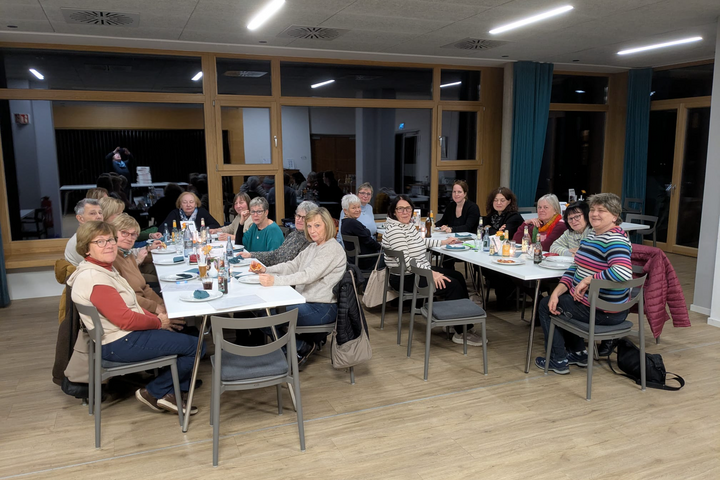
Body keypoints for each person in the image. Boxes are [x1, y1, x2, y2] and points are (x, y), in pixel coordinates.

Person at [67, 221, 202, 415]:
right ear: (86, 248)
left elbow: (133, 307)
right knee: (196, 346)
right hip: (119, 342)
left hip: (120, 337)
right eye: (100, 242)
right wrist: (159, 323)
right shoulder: (95, 279)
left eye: (110, 240)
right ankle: (155, 392)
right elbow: (126, 319)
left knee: (188, 335)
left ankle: (171, 393)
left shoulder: (103, 269)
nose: (109, 245)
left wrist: (159, 318)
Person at [535, 193, 633, 374]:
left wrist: (589, 280)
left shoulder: (615, 239)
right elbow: (576, 267)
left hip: (605, 310)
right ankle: (579, 353)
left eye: (601, 210)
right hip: (591, 303)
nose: (594, 214)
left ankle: (558, 360)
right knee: (559, 299)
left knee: (545, 305)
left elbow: (623, 272)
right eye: (593, 209)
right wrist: (557, 291)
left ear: (614, 216)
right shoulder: (593, 235)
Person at [382, 195, 484, 346]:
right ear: (394, 212)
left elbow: (420, 242)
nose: (405, 212)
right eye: (400, 209)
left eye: (408, 208)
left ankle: (454, 322)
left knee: (457, 276)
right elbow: (407, 262)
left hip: (417, 271)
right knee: (453, 285)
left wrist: (444, 241)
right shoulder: (395, 231)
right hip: (406, 277)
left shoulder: (406, 226)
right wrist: (430, 273)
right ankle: (462, 332)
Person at [253, 207, 346, 366]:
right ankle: (298, 347)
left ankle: (297, 349)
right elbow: (292, 266)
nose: (312, 230)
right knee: (262, 311)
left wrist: (275, 281)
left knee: (267, 317)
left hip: (322, 307)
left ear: (328, 225)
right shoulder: (313, 246)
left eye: (317, 225)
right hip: (305, 301)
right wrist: (266, 270)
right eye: (309, 226)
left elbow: (307, 276)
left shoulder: (332, 248)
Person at [111, 214, 166, 315]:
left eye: (133, 234)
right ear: (113, 233)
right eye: (124, 233)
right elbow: (127, 297)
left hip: (143, 306)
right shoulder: (111, 259)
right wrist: (156, 308)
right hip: (135, 312)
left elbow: (144, 287)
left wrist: (162, 305)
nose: (129, 238)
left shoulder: (128, 254)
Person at [238, 201, 315, 267]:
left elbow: (291, 266)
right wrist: (251, 255)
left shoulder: (309, 241)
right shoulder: (293, 234)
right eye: (298, 216)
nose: (299, 220)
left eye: (304, 217)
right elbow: (276, 254)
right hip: (275, 271)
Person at [340, 194, 382, 270]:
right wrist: (382, 247)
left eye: (358, 207)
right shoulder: (353, 223)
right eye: (353, 208)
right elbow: (368, 241)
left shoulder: (344, 223)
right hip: (366, 261)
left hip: (354, 260)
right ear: (345, 211)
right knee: (391, 258)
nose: (357, 210)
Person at [64, 199, 103, 266]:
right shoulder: (79, 241)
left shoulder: (100, 236)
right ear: (80, 218)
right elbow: (99, 266)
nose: (99, 217)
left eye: (100, 213)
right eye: (92, 213)